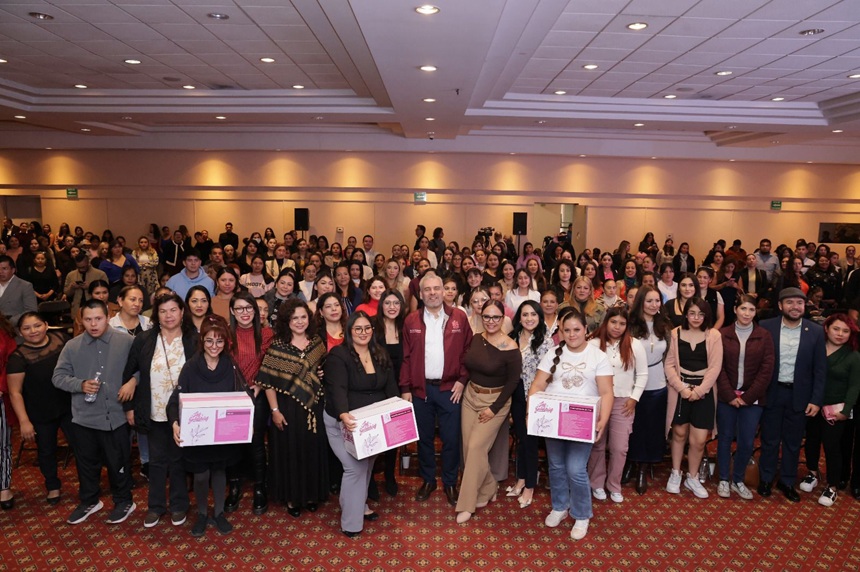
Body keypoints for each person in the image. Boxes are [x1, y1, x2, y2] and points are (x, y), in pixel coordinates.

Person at [529, 310, 614, 541]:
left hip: (581, 422)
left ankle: (582, 514)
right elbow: (537, 385)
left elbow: (607, 392)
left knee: (576, 469)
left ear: (586, 329)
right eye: (567, 330)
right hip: (554, 420)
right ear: (561, 331)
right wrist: (531, 411)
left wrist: (603, 421)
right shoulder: (552, 353)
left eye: (577, 329)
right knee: (556, 466)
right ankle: (560, 506)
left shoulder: (598, 357)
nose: (572, 334)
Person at [52, 299, 136, 525]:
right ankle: (89, 501)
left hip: (115, 416)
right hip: (84, 417)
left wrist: (133, 382)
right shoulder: (72, 346)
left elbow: (142, 368)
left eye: (98, 318)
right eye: (88, 319)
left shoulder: (126, 341)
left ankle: (124, 501)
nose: (93, 324)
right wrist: (79, 385)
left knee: (118, 463)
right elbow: (58, 377)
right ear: (81, 320)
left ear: (108, 317)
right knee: (86, 464)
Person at [168, 315, 246, 537]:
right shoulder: (191, 366)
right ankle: (202, 513)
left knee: (220, 472)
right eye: (209, 340)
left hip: (222, 434)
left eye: (219, 341)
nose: (214, 346)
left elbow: (244, 395)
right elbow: (175, 400)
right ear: (202, 340)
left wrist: (246, 421)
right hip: (198, 435)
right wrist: (174, 423)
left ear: (226, 342)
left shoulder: (230, 364)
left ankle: (219, 513)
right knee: (201, 476)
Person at [323, 311, 398, 537]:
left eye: (367, 328)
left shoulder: (380, 353)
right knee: (355, 468)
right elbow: (337, 389)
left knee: (366, 466)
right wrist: (343, 415)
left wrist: (397, 411)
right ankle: (351, 523)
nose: (363, 333)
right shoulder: (339, 355)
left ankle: (359, 505)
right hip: (343, 424)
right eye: (358, 328)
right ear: (349, 331)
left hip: (371, 425)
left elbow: (390, 386)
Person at [124, 293, 196, 528]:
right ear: (156, 315)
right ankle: (155, 507)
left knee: (178, 460)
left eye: (173, 310)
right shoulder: (144, 339)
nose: (168, 315)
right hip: (153, 410)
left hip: (184, 412)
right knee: (156, 461)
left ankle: (179, 505)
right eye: (163, 311)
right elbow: (129, 373)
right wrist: (129, 407)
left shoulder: (193, 339)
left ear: (182, 312)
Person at [400, 271, 472, 506]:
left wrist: (462, 380)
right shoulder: (411, 320)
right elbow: (406, 357)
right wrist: (405, 388)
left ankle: (450, 482)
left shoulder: (459, 317)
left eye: (436, 288)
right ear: (420, 294)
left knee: (451, 439)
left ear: (444, 291)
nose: (432, 293)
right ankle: (428, 480)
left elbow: (468, 352)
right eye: (427, 289)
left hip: (450, 389)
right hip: (420, 390)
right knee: (424, 438)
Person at [257, 298, 329, 518]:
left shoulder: (317, 342)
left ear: (309, 318)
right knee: (290, 452)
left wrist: (319, 374)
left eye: (303, 317)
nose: (299, 321)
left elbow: (320, 371)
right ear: (286, 321)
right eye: (294, 318)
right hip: (287, 409)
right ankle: (292, 497)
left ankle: (311, 495)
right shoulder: (278, 346)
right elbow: (268, 382)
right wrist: (275, 411)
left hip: (314, 408)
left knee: (312, 450)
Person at [757, 287, 827, 502]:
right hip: (772, 392)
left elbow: (820, 370)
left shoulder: (815, 331)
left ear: (805, 306)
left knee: (793, 442)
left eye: (799, 303)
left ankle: (787, 481)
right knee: (769, 439)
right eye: (790, 302)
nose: (795, 307)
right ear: (780, 306)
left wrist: (816, 400)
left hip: (800, 396)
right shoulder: (766, 326)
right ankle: (766, 478)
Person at [455, 300, 521, 524]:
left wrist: (494, 409)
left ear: (503, 319)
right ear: (481, 317)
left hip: (495, 402)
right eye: (486, 317)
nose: (491, 321)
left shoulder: (510, 347)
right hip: (470, 397)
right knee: (468, 449)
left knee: (476, 447)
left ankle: (467, 504)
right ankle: (489, 486)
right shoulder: (476, 338)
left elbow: (512, 382)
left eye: (495, 317)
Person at [6, 312, 72, 505]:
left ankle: (89, 484)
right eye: (26, 328)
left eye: (37, 325)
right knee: (46, 451)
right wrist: (24, 421)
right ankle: (52, 486)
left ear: (46, 325)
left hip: (69, 406)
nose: (33, 331)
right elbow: (15, 393)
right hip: (40, 411)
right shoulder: (17, 358)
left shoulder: (61, 339)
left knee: (82, 446)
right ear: (20, 332)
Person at [716, 294, 775, 500]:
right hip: (727, 397)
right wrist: (729, 394)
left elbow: (766, 370)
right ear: (735, 310)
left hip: (753, 399)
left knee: (747, 441)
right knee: (724, 439)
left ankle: (738, 480)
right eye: (743, 309)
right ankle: (724, 478)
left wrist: (747, 397)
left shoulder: (764, 336)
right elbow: (718, 367)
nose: (747, 313)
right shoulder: (722, 334)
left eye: (751, 309)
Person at [798, 314, 860, 507]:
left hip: (835, 410)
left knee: (832, 447)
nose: (840, 334)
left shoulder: (853, 356)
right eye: (836, 329)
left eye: (845, 331)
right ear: (826, 328)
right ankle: (812, 473)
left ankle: (832, 485)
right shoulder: (816, 348)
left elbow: (854, 386)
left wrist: (846, 410)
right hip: (812, 405)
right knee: (811, 441)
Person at [664, 297, 723, 499]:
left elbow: (715, 367)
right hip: (680, 389)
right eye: (692, 313)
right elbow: (669, 365)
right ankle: (675, 473)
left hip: (704, 392)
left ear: (706, 316)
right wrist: (682, 389)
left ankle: (693, 477)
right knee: (679, 433)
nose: (696, 318)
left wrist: (699, 391)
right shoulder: (675, 333)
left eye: (700, 314)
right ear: (686, 314)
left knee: (698, 441)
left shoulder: (713, 335)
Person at [587, 307, 647, 504]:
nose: (617, 327)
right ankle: (596, 483)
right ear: (606, 322)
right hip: (598, 400)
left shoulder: (635, 345)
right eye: (613, 322)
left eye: (622, 323)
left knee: (619, 447)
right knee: (597, 444)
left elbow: (642, 374)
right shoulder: (593, 344)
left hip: (623, 402)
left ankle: (614, 485)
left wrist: (634, 398)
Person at [226, 292, 275, 516]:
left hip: (257, 394)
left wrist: (260, 385)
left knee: (256, 441)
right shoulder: (226, 334)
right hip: (232, 396)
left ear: (255, 311)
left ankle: (260, 486)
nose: (244, 312)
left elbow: (270, 364)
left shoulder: (266, 334)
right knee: (232, 442)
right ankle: (234, 485)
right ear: (232, 311)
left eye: (248, 308)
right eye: (239, 308)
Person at [624, 285, 672, 494]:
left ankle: (643, 467)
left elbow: (668, 354)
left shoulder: (665, 326)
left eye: (657, 301)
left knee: (652, 428)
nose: (654, 305)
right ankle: (630, 462)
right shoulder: (630, 325)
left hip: (658, 383)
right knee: (633, 427)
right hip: (633, 384)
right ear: (640, 302)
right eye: (649, 301)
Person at [507, 300, 554, 509]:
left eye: (533, 314)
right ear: (519, 317)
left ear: (539, 317)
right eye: (525, 314)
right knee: (520, 439)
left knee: (531, 442)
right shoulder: (512, 337)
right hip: (515, 394)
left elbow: (548, 375)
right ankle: (521, 478)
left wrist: (533, 400)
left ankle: (530, 486)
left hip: (535, 396)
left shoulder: (546, 341)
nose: (529, 318)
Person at [0, 313, 18, 509]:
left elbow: (10, 363)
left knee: (2, 444)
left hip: (0, 395)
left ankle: (4, 487)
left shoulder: (3, 331)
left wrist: (1, 386)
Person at [0, 255, 38, 326]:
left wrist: (10, 321)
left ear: (13, 270)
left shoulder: (25, 286)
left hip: (14, 327)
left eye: (4, 269)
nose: (0, 272)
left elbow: (31, 310)